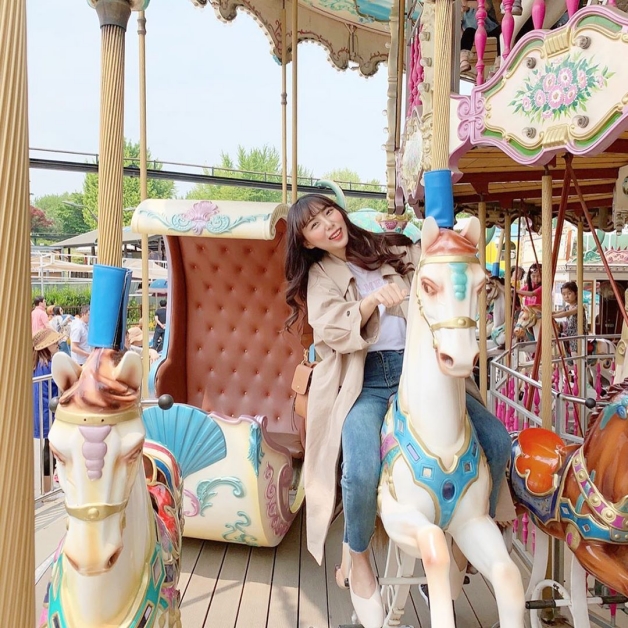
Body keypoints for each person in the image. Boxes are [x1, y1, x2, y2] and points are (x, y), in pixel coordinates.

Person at [284, 194, 512, 628]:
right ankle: (357, 554)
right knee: (359, 469)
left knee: (497, 441)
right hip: (367, 379)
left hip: (421, 373)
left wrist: (439, 235)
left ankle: (474, 529)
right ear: (308, 241)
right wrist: (371, 302)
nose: (328, 224)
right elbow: (330, 328)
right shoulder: (320, 276)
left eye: (329, 212)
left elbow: (435, 270)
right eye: (314, 225)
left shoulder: (387, 247)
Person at [32, 328, 62, 495]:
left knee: (49, 447)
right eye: (53, 341)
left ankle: (47, 487)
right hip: (48, 412)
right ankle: (47, 488)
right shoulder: (49, 365)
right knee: (50, 449)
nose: (57, 343)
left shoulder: (37, 364)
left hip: (42, 411)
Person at [460, 0, 501, 73]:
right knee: (468, 31)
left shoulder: (479, 3)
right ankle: (463, 58)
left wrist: (467, 3)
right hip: (475, 33)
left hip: (489, 30)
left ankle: (499, 59)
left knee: (500, 32)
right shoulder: (464, 15)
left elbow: (486, 6)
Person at [553, 281, 586, 354]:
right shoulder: (567, 307)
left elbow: (566, 313)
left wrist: (551, 317)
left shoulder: (578, 307)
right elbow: (556, 312)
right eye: (564, 294)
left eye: (569, 293)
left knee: (574, 355)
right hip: (569, 335)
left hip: (577, 335)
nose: (566, 296)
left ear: (576, 293)